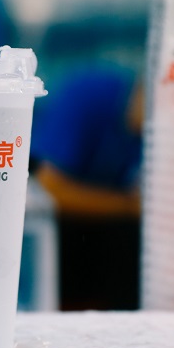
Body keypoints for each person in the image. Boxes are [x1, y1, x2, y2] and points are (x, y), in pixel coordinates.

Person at [30, 63, 144, 310]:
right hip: (56, 231)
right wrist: (127, 206)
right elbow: (48, 188)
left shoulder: (149, 136)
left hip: (108, 245)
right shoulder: (89, 94)